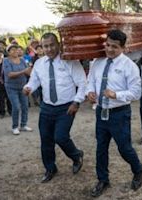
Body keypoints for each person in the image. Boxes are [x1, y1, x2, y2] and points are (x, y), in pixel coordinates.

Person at [87, 29, 142, 197]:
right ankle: (103, 179)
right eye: (108, 45)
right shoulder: (98, 62)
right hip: (100, 112)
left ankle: (138, 171)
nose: (110, 49)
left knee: (124, 148)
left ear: (123, 48)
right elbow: (91, 80)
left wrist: (116, 95)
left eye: (115, 47)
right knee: (101, 148)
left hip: (119, 114)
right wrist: (90, 92)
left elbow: (136, 92)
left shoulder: (129, 66)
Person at [23, 33, 85, 183]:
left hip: (67, 107)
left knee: (61, 137)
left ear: (58, 45)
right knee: (46, 140)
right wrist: (28, 88)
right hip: (47, 107)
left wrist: (76, 102)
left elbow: (82, 83)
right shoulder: (39, 64)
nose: (49, 49)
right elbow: (34, 81)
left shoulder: (70, 61)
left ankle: (76, 156)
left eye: (52, 45)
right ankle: (50, 168)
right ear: (41, 47)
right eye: (45, 46)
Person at [3, 44, 33, 135]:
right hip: (11, 88)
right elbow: (10, 74)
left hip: (23, 86)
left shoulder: (23, 60)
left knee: (25, 106)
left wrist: (31, 71)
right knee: (16, 106)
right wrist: (24, 71)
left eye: (16, 49)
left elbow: (28, 72)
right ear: (8, 52)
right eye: (12, 50)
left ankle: (23, 125)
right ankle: (15, 127)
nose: (15, 51)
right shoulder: (6, 61)